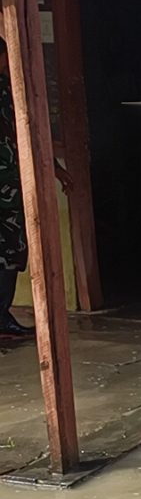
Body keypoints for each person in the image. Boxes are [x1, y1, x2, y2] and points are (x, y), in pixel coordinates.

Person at [0, 42, 32, 339]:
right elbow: (15, 129)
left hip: (8, 183)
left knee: (10, 254)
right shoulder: (4, 90)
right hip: (5, 188)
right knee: (10, 252)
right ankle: (2, 318)